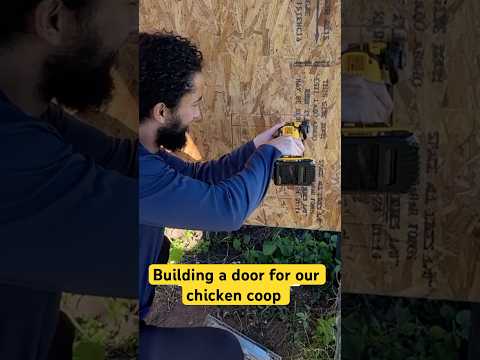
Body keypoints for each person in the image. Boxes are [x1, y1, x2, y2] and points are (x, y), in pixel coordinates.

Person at [138, 32, 305, 359]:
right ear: (161, 112)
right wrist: (272, 154)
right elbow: (226, 210)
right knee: (223, 350)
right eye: (195, 104)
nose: (198, 115)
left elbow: (202, 175)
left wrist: (256, 147)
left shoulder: (143, 152)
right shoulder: (139, 172)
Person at [0, 1, 138, 359]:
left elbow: (121, 160)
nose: (134, 26)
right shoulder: (12, 159)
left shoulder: (25, 106)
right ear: (54, 20)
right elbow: (149, 252)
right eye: (130, 4)